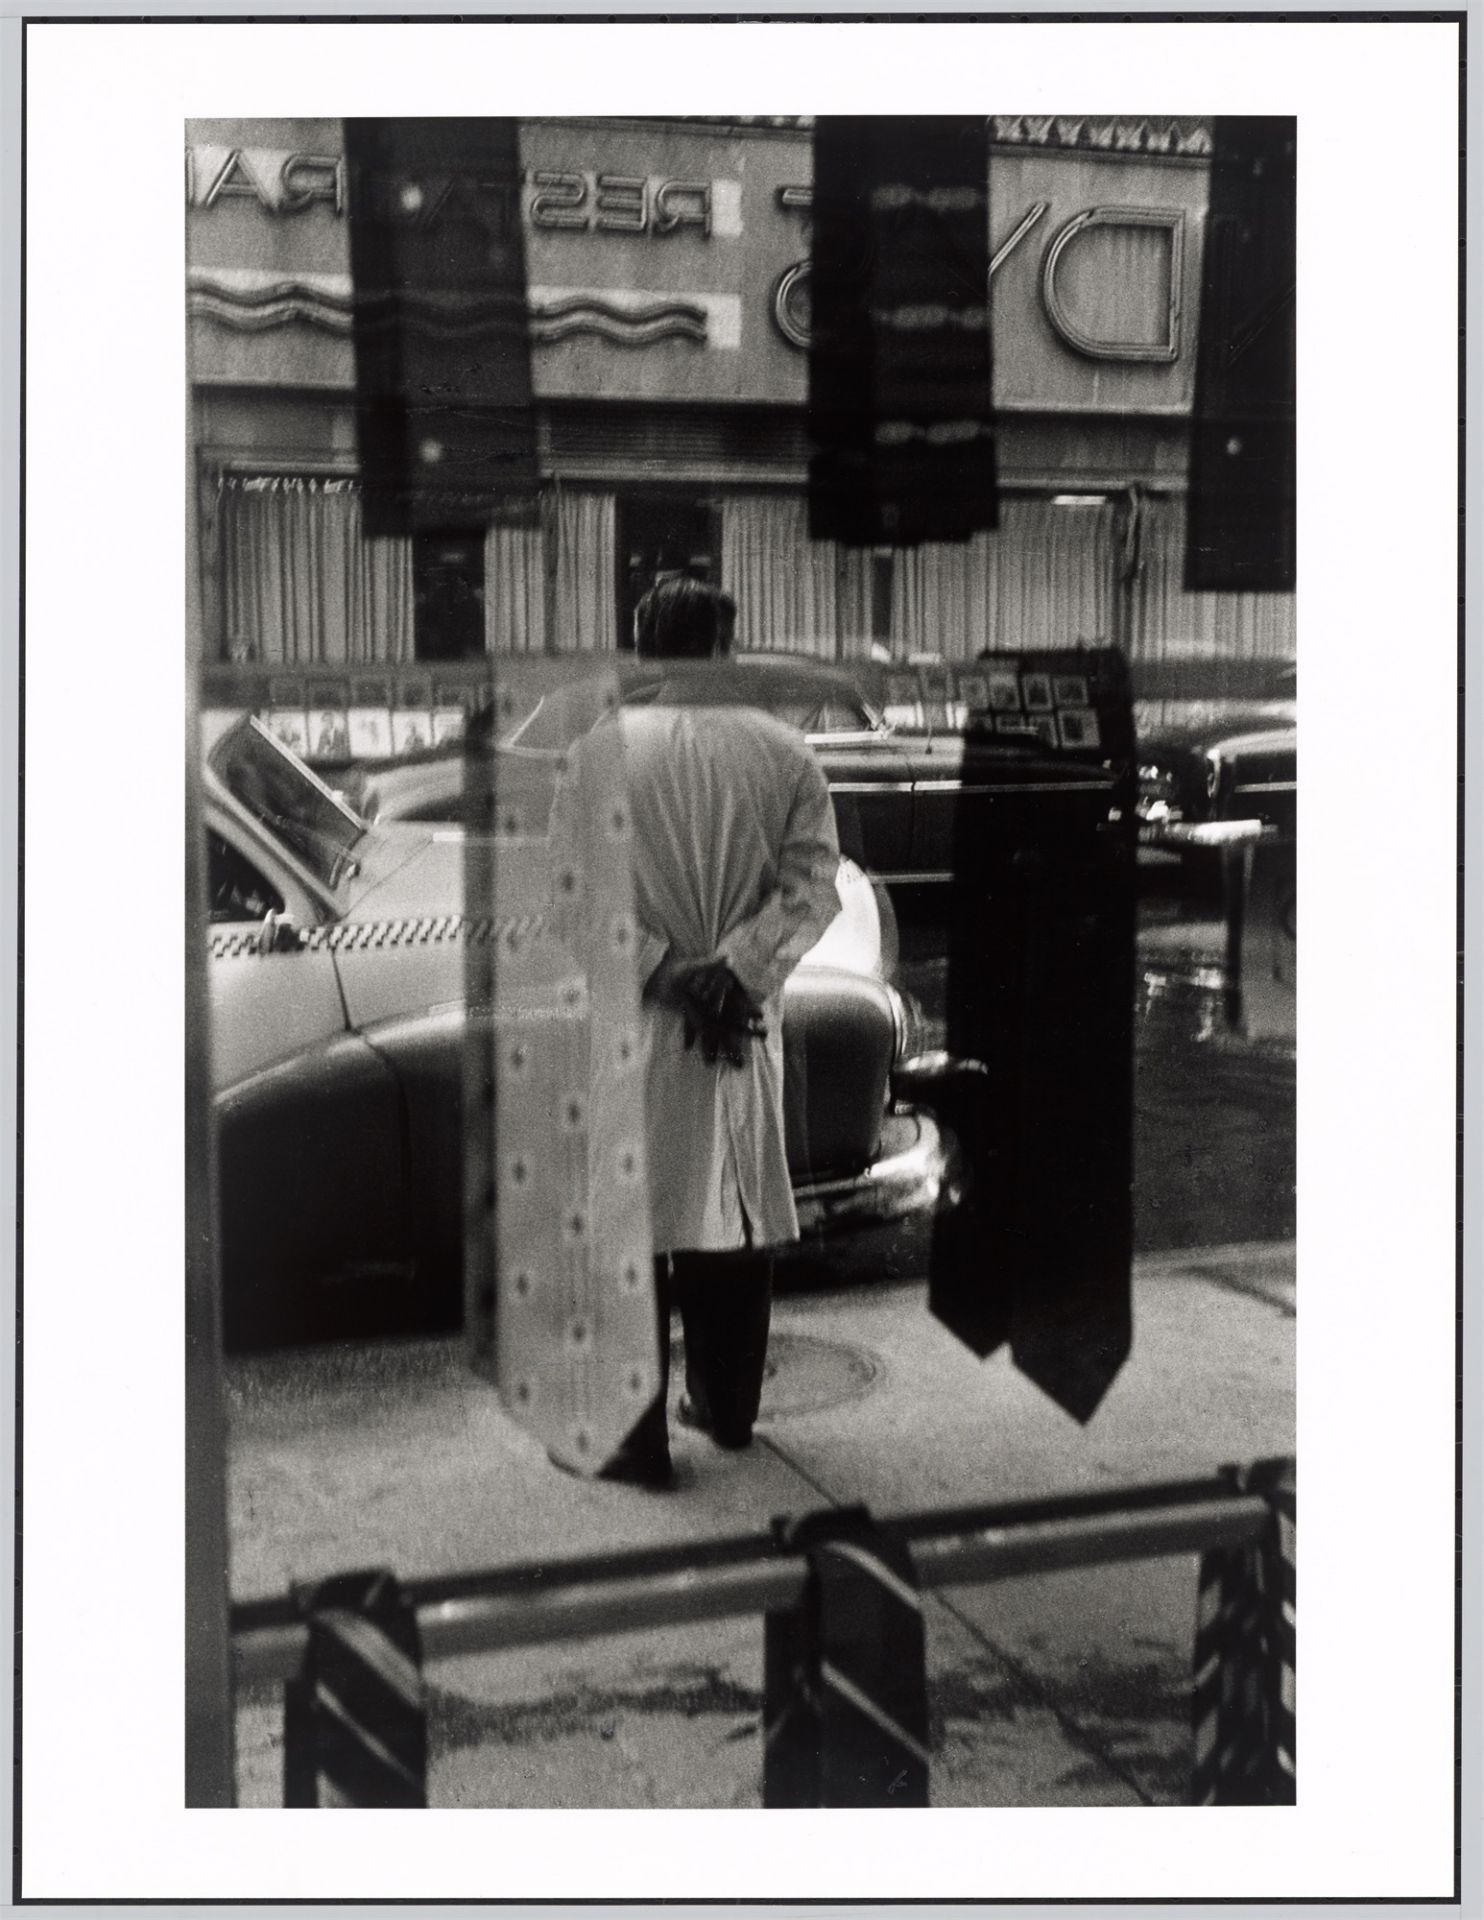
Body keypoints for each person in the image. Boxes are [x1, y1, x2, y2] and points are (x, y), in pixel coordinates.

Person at [565, 576, 842, 1488]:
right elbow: (812, 890)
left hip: (643, 1028)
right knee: (736, 1213)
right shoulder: (785, 753)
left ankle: (637, 1442)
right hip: (740, 1025)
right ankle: (727, 1411)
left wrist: (666, 972)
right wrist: (737, 972)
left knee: (634, 1224)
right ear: (728, 649)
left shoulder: (601, 754)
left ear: (645, 652)